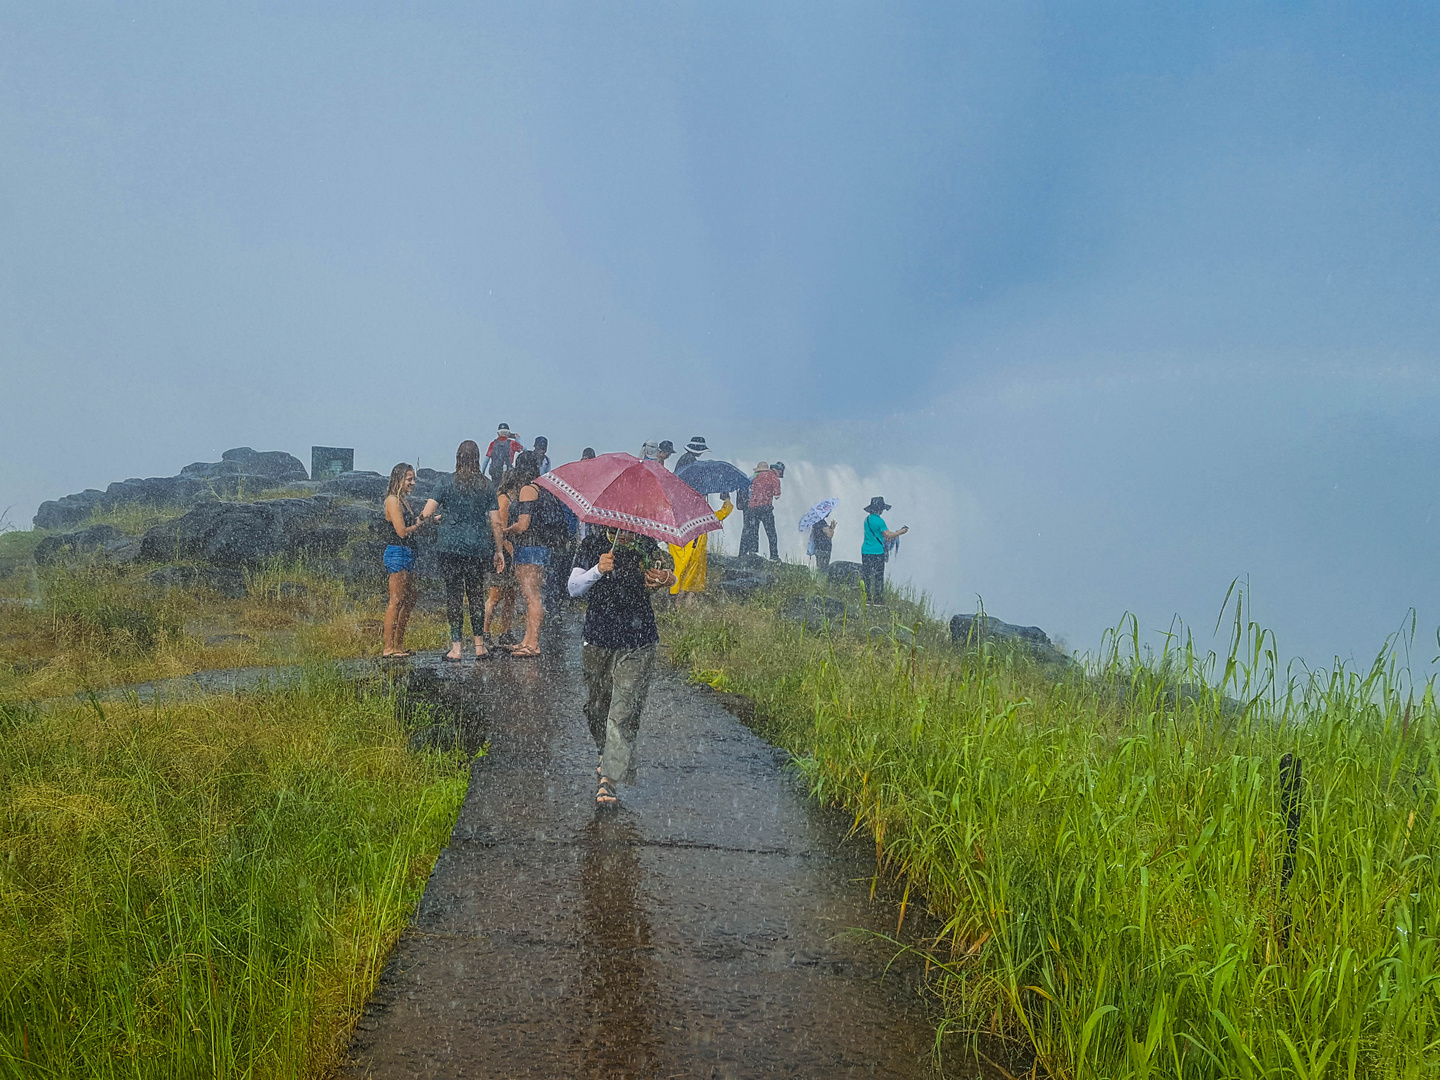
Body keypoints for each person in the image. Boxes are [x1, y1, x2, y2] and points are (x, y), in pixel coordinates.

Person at [569, 527, 676, 807]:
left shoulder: (647, 545)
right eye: (618, 528)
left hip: (638, 639)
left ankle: (609, 781)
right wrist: (597, 569)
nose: (624, 533)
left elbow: (668, 572)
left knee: (623, 709)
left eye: (629, 529)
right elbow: (573, 588)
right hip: (598, 638)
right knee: (597, 706)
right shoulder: (591, 544)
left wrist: (666, 578)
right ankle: (606, 752)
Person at [422, 441, 505, 660]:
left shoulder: (445, 482)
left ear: (458, 457)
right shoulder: (486, 485)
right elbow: (496, 522)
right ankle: (479, 646)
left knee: (454, 595)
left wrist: (440, 520)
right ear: (477, 458)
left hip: (450, 547)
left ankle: (456, 648)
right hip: (478, 548)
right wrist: (499, 550)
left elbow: (426, 513)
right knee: (476, 595)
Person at [502, 451, 547, 657]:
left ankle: (533, 644)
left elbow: (523, 525)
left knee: (532, 598)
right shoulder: (541, 487)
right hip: (537, 548)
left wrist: (505, 531)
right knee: (531, 597)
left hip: (529, 549)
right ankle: (527, 640)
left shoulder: (527, 490)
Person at [382, 462, 428, 657]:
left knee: (409, 599)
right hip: (397, 552)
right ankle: (388, 648)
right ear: (398, 479)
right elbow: (401, 532)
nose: (413, 483)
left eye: (413, 479)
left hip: (407, 553)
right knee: (396, 600)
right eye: (409, 479)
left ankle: (399, 645)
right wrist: (418, 525)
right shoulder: (392, 500)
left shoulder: (403, 500)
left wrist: (429, 520)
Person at [670, 494, 732, 602]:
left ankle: (677, 604)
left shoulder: (680, 513)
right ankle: (679, 604)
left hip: (682, 550)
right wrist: (727, 500)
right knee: (688, 581)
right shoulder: (703, 517)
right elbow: (722, 514)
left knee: (681, 578)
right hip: (693, 551)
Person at [484, 472, 520, 647]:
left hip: (510, 552)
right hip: (503, 552)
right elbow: (501, 530)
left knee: (511, 595)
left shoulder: (512, 500)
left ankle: (505, 632)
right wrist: (511, 553)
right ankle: (485, 632)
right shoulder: (504, 500)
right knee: (495, 595)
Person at [861, 496, 908, 603]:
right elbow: (888, 534)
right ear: (880, 509)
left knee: (867, 575)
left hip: (866, 551)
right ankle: (878, 599)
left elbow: (877, 534)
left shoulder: (867, 519)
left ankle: (867, 598)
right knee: (878, 576)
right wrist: (901, 532)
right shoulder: (879, 521)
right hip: (877, 552)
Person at [740, 462, 781, 560]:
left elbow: (748, 491)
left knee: (753, 531)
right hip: (766, 508)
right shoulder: (773, 478)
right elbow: (777, 495)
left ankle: (752, 552)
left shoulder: (754, 478)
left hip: (752, 508)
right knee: (771, 532)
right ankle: (774, 555)